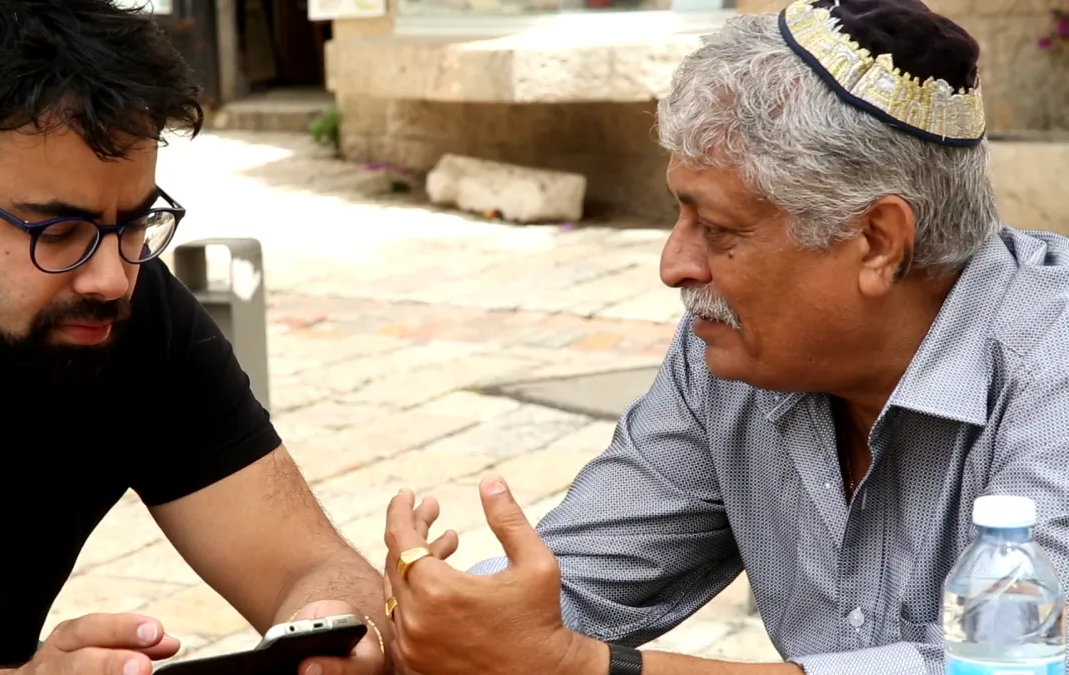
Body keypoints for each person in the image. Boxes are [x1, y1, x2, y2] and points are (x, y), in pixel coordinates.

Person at [377, 0, 1069, 674]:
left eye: (716, 229)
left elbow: (1012, 664)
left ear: (877, 241)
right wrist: (451, 619)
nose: (674, 266)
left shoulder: (1052, 363)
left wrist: (584, 668)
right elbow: (576, 579)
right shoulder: (728, 355)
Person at [0, 2, 391, 675]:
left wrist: (341, 639)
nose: (112, 277)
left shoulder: (123, 315)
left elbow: (310, 564)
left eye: (135, 222)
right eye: (55, 232)